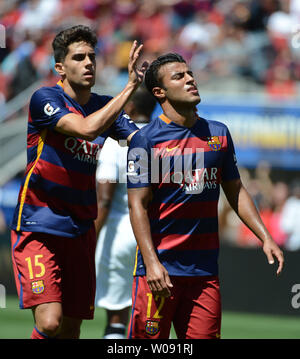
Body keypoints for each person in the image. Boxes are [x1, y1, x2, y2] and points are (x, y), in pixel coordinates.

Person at [126, 53, 284, 339]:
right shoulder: (144, 139)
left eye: (190, 74)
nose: (190, 80)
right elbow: (137, 204)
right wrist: (151, 263)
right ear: (159, 92)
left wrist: (265, 236)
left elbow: (235, 190)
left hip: (205, 273)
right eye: (179, 76)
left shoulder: (219, 134)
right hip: (160, 271)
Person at [10, 25, 148, 339]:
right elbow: (86, 129)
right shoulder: (44, 98)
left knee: (72, 329)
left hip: (80, 229)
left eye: (91, 57)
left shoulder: (102, 104)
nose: (88, 63)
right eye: (79, 57)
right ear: (60, 67)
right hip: (38, 223)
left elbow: (142, 139)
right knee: (50, 322)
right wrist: (129, 88)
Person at [94, 86, 156, 339]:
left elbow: (104, 199)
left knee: (116, 317)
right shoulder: (162, 138)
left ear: (129, 108)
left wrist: (90, 239)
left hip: (119, 234)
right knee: (150, 316)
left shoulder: (116, 142)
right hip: (153, 237)